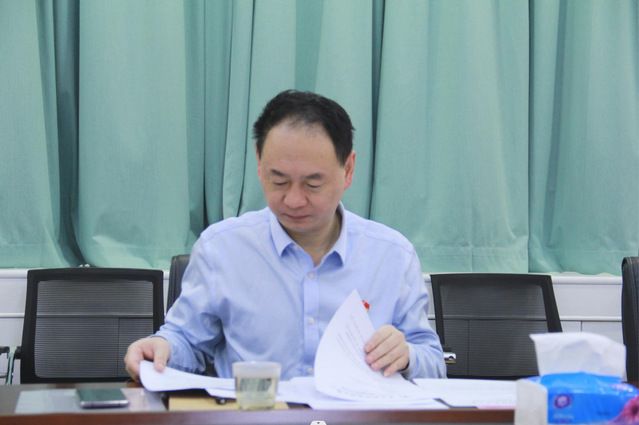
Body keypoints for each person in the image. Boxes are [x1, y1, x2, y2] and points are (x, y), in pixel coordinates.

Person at [124, 90, 446, 381]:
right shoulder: (221, 249)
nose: (293, 200)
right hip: (254, 415)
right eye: (278, 181)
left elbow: (434, 363)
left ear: (348, 170)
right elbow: (186, 341)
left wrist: (407, 357)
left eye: (312, 184)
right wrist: (160, 349)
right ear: (259, 162)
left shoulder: (392, 256)